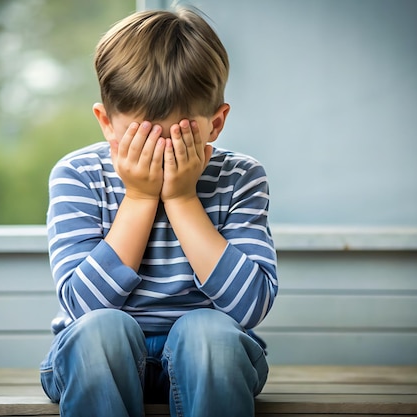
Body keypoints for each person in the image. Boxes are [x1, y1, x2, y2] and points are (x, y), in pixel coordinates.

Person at [40, 7, 278, 417]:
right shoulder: (78, 175)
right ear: (107, 123)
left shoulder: (241, 177)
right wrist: (139, 198)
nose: (159, 157)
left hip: (210, 364)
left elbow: (249, 307)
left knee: (209, 332)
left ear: (215, 125)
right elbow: (82, 307)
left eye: (177, 140)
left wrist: (183, 199)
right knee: (101, 332)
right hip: (94, 361)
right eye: (142, 139)